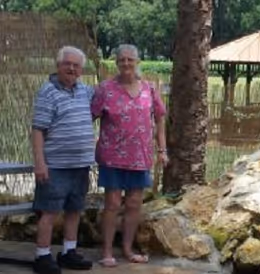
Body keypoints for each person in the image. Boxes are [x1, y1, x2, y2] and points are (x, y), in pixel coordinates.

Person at [91, 44, 168, 267]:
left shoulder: (149, 89)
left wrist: (162, 149)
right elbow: (89, 117)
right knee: (113, 203)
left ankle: (127, 248)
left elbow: (160, 117)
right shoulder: (105, 89)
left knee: (134, 203)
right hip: (111, 156)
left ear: (137, 62)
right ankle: (106, 250)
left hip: (140, 156)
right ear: (116, 62)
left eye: (130, 60)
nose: (126, 64)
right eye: (121, 59)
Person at [31, 46, 94, 274]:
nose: (71, 68)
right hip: (55, 165)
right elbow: (38, 129)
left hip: (80, 165)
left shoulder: (85, 91)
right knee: (49, 211)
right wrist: (40, 162)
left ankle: (68, 252)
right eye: (67, 64)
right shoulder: (47, 92)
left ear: (81, 70)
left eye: (76, 65)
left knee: (74, 210)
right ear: (58, 65)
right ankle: (42, 256)